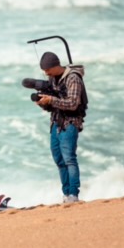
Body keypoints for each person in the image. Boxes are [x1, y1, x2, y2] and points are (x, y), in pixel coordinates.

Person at [35, 51, 88, 203]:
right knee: (59, 159)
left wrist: (51, 99)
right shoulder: (52, 79)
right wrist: (43, 103)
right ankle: (66, 194)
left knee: (69, 159)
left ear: (55, 66)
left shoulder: (73, 78)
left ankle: (73, 195)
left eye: (47, 70)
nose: (45, 73)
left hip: (70, 123)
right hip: (56, 122)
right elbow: (52, 106)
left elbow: (72, 103)